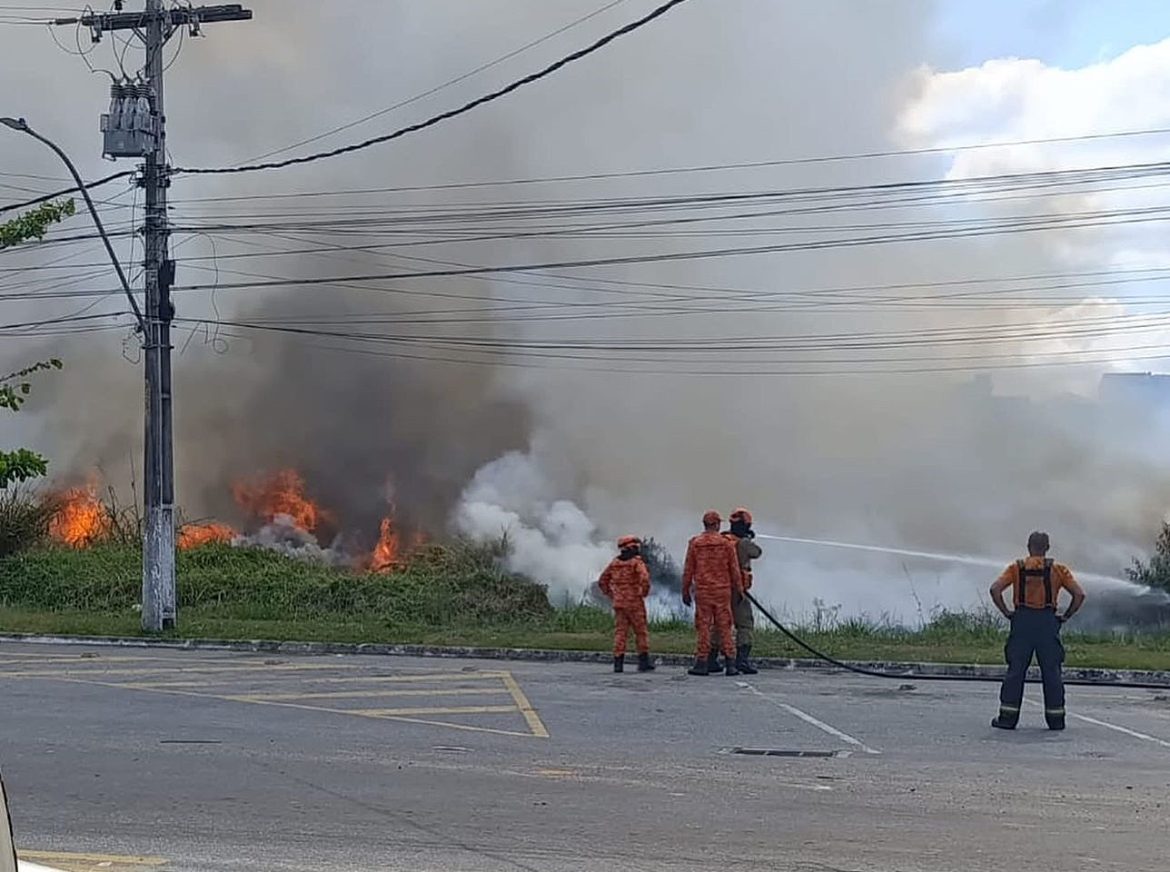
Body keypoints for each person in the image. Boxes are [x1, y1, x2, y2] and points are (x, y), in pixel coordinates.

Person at [989, 531, 1085, 731]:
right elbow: (1079, 594)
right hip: (1047, 624)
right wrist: (1065, 616)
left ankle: (1007, 719)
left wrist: (1007, 612)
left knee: (1015, 672)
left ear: (1028, 547)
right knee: (1052, 673)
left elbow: (995, 589)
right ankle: (1056, 720)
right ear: (1047, 547)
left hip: (1022, 623)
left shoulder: (1016, 568)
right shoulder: (1059, 570)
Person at [682, 510, 743, 676]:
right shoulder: (726, 544)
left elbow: (688, 569)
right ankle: (731, 664)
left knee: (703, 627)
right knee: (725, 627)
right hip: (722, 591)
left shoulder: (695, 543)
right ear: (717, 524)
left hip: (703, 591)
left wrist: (685, 590)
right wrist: (739, 590)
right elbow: (734, 569)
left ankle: (702, 662)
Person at [598, 535, 655, 673]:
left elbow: (602, 581)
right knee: (640, 632)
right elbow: (645, 579)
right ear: (632, 547)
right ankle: (643, 662)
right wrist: (644, 592)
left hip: (619, 604)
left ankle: (618, 664)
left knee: (620, 633)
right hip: (635, 603)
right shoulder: (636, 563)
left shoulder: (614, 563)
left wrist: (611, 595)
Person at [722, 507, 763, 675]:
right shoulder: (744, 544)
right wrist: (748, 538)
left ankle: (710, 659)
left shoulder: (722, 540)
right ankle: (742, 660)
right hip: (738, 590)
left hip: (721, 588)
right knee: (745, 624)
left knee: (720, 624)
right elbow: (757, 553)